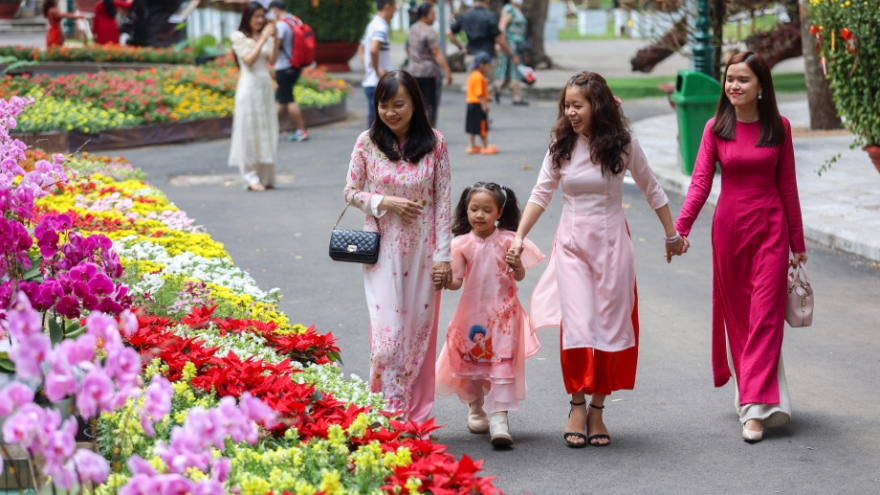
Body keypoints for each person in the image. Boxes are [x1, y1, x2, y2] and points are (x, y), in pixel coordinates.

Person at [509, 71, 684, 448]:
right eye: (567, 105)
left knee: (609, 325)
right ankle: (576, 402)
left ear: (597, 105)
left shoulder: (623, 145)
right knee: (577, 324)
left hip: (613, 246)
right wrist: (520, 236)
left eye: (578, 105)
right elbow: (541, 194)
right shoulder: (562, 145)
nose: (571, 112)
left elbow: (653, 188)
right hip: (572, 246)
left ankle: (598, 409)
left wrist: (672, 236)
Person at [674, 51, 806, 444]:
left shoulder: (779, 128)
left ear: (761, 86)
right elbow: (700, 184)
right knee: (741, 320)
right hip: (729, 230)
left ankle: (754, 408)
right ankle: (755, 394)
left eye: (743, 79)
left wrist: (797, 241)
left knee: (765, 314)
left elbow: (788, 187)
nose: (734, 85)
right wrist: (680, 229)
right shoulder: (716, 127)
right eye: (730, 78)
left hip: (770, 231)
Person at [343, 70, 453, 423]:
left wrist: (443, 258)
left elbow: (443, 202)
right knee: (388, 340)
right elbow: (350, 192)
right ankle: (387, 413)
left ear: (415, 105)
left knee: (417, 336)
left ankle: (414, 416)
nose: (391, 113)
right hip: (382, 251)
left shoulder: (436, 143)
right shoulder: (367, 142)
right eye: (384, 105)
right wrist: (385, 202)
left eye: (399, 105)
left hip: (423, 251)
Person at [434, 182, 543, 447]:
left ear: (499, 213)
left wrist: (516, 265)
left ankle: (500, 420)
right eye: (474, 209)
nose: (479, 215)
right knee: (472, 363)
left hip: (504, 316)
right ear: (466, 211)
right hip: (472, 316)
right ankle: (475, 407)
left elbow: (518, 275)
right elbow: (457, 282)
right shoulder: (460, 244)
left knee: (502, 364)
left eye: (486, 210)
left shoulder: (508, 240)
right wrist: (444, 278)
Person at [228, 2, 279, 192]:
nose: (259, 20)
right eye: (255, 16)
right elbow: (248, 60)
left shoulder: (265, 35)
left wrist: (275, 38)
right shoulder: (238, 37)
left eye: (261, 16)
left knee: (266, 127)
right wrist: (263, 38)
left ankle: (265, 175)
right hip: (248, 87)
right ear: (248, 17)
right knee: (249, 129)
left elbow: (272, 60)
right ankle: (250, 176)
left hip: (264, 86)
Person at [447, 0, 518, 89]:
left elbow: (449, 33)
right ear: (487, 1)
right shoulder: (490, 16)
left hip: (471, 56)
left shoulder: (464, 16)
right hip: (487, 58)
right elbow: (499, 38)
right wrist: (511, 55)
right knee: (486, 89)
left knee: (474, 87)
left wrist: (461, 47)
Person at [268, 0, 309, 142]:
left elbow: (276, 46)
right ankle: (270, 131)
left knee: (288, 99)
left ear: (274, 10)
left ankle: (301, 130)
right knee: (281, 99)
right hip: (295, 66)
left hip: (283, 67)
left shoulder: (281, 24)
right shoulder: (296, 20)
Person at [408, 2, 453, 127]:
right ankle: (430, 133)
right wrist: (447, 70)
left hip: (415, 72)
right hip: (429, 73)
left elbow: (408, 49)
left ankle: (418, 131)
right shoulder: (429, 31)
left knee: (417, 104)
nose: (435, 17)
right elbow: (436, 53)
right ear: (424, 15)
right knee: (431, 104)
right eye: (432, 14)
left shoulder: (412, 29)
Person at [361, 0, 397, 129]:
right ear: (387, 7)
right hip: (377, 82)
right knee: (378, 127)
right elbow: (373, 49)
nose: (396, 10)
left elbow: (362, 47)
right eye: (394, 7)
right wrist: (377, 72)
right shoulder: (381, 26)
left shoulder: (372, 24)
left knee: (374, 123)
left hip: (371, 81)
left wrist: (368, 66)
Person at [494, 0, 528, 106]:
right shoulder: (509, 9)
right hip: (511, 44)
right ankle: (516, 97)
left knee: (509, 73)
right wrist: (499, 44)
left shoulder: (517, 9)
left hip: (518, 44)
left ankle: (498, 90)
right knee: (515, 69)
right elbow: (501, 27)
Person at [465, 52, 498, 155]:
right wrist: (484, 105)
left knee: (471, 127)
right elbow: (479, 94)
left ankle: (472, 146)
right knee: (482, 126)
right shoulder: (479, 77)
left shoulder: (472, 75)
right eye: (488, 66)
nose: (489, 68)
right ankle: (485, 146)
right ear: (481, 66)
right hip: (478, 105)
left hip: (470, 104)